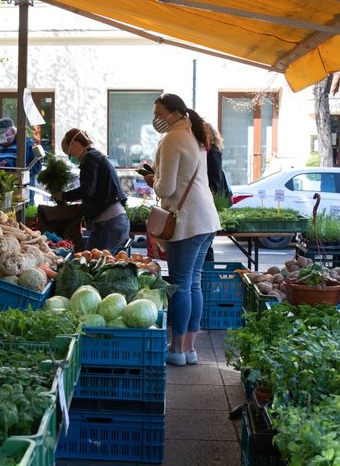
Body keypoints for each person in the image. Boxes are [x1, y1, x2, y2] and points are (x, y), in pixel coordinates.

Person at [143, 93, 221, 366]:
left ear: (174, 112)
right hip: (206, 219)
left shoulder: (172, 139)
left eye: (160, 112)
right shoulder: (194, 134)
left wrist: (153, 180)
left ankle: (176, 349)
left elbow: (167, 189)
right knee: (193, 283)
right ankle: (189, 349)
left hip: (187, 221)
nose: (157, 118)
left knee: (180, 285)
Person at [55, 128, 130, 251]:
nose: (70, 157)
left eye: (68, 153)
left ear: (75, 144)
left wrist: (63, 196)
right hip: (115, 221)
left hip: (108, 224)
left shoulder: (90, 158)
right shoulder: (96, 156)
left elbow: (87, 190)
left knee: (89, 263)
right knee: (100, 265)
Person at [0, 117, 42, 201]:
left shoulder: (26, 144)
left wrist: (13, 168)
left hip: (18, 195)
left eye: (3, 133)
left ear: (12, 132)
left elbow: (36, 167)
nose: (0, 136)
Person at [203, 122, 232, 261]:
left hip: (211, 200)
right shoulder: (206, 151)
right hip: (208, 200)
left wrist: (207, 197)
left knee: (206, 243)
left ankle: (207, 271)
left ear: (211, 135)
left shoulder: (213, 152)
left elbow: (215, 180)